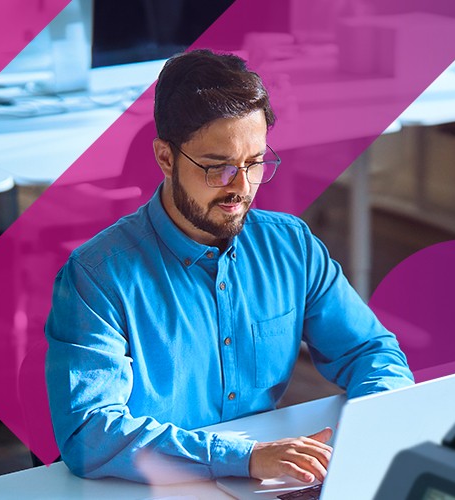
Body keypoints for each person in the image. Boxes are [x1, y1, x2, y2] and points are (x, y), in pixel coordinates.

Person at [45, 48, 413, 485]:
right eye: (217, 168)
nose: (241, 187)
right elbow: (89, 434)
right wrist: (243, 458)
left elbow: (371, 352)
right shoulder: (97, 276)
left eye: (254, 163)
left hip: (263, 482)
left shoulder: (290, 246)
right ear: (166, 158)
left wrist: (371, 429)